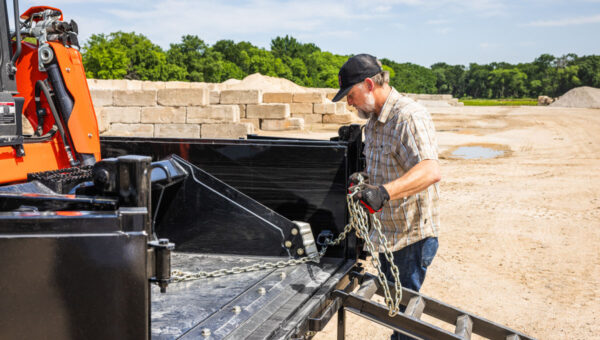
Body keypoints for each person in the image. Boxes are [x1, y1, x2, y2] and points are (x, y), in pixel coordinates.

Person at [333, 54, 441, 340]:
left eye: (351, 95)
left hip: (410, 237)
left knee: (406, 321)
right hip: (388, 235)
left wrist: (384, 192)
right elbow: (383, 169)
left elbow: (430, 170)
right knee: (397, 313)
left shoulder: (408, 116)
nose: (349, 103)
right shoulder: (374, 124)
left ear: (369, 84)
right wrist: (364, 180)